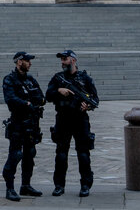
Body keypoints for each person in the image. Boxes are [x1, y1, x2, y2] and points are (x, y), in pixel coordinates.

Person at [46, 49, 99, 197]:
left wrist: (87, 106)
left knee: (83, 154)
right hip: (63, 119)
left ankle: (85, 185)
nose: (62, 62)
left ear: (73, 60)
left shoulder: (85, 79)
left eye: (65, 59)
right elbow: (47, 95)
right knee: (61, 154)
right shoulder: (57, 78)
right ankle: (59, 186)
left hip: (80, 120)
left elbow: (95, 99)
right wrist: (59, 91)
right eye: (61, 60)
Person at [1, 50, 45, 201]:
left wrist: (30, 102)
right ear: (19, 62)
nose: (30, 63)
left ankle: (25, 186)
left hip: (32, 124)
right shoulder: (10, 80)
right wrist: (27, 103)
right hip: (18, 124)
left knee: (29, 154)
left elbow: (41, 97)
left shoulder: (30, 80)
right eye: (27, 60)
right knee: (15, 155)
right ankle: (10, 188)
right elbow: (11, 99)